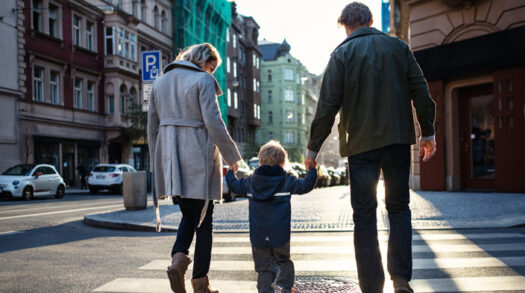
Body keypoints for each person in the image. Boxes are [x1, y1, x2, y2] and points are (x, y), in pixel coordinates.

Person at [305, 2, 437, 293]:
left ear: (346, 25)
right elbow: (421, 90)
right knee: (399, 208)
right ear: (370, 20)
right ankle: (400, 279)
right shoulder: (398, 48)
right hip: (398, 140)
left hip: (360, 146)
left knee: (364, 216)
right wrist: (427, 132)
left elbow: (327, 107)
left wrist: (313, 149)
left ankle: (371, 286)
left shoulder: (341, 54)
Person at [147, 43, 241, 293]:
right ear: (202, 61)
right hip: (197, 157)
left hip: (171, 159)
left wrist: (157, 162)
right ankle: (200, 283)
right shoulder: (203, 80)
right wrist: (232, 155)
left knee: (189, 216)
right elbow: (214, 121)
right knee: (204, 221)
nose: (212, 73)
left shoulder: (160, 82)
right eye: (211, 67)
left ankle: (178, 264)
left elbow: (151, 127)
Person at [226, 140, 317, 293]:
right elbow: (306, 185)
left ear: (260, 162)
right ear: (283, 163)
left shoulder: (250, 181)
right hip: (280, 234)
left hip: (259, 234)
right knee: (283, 261)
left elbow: (234, 185)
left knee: (264, 269)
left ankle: (265, 290)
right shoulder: (286, 180)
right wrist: (312, 169)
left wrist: (231, 172)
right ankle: (284, 288)